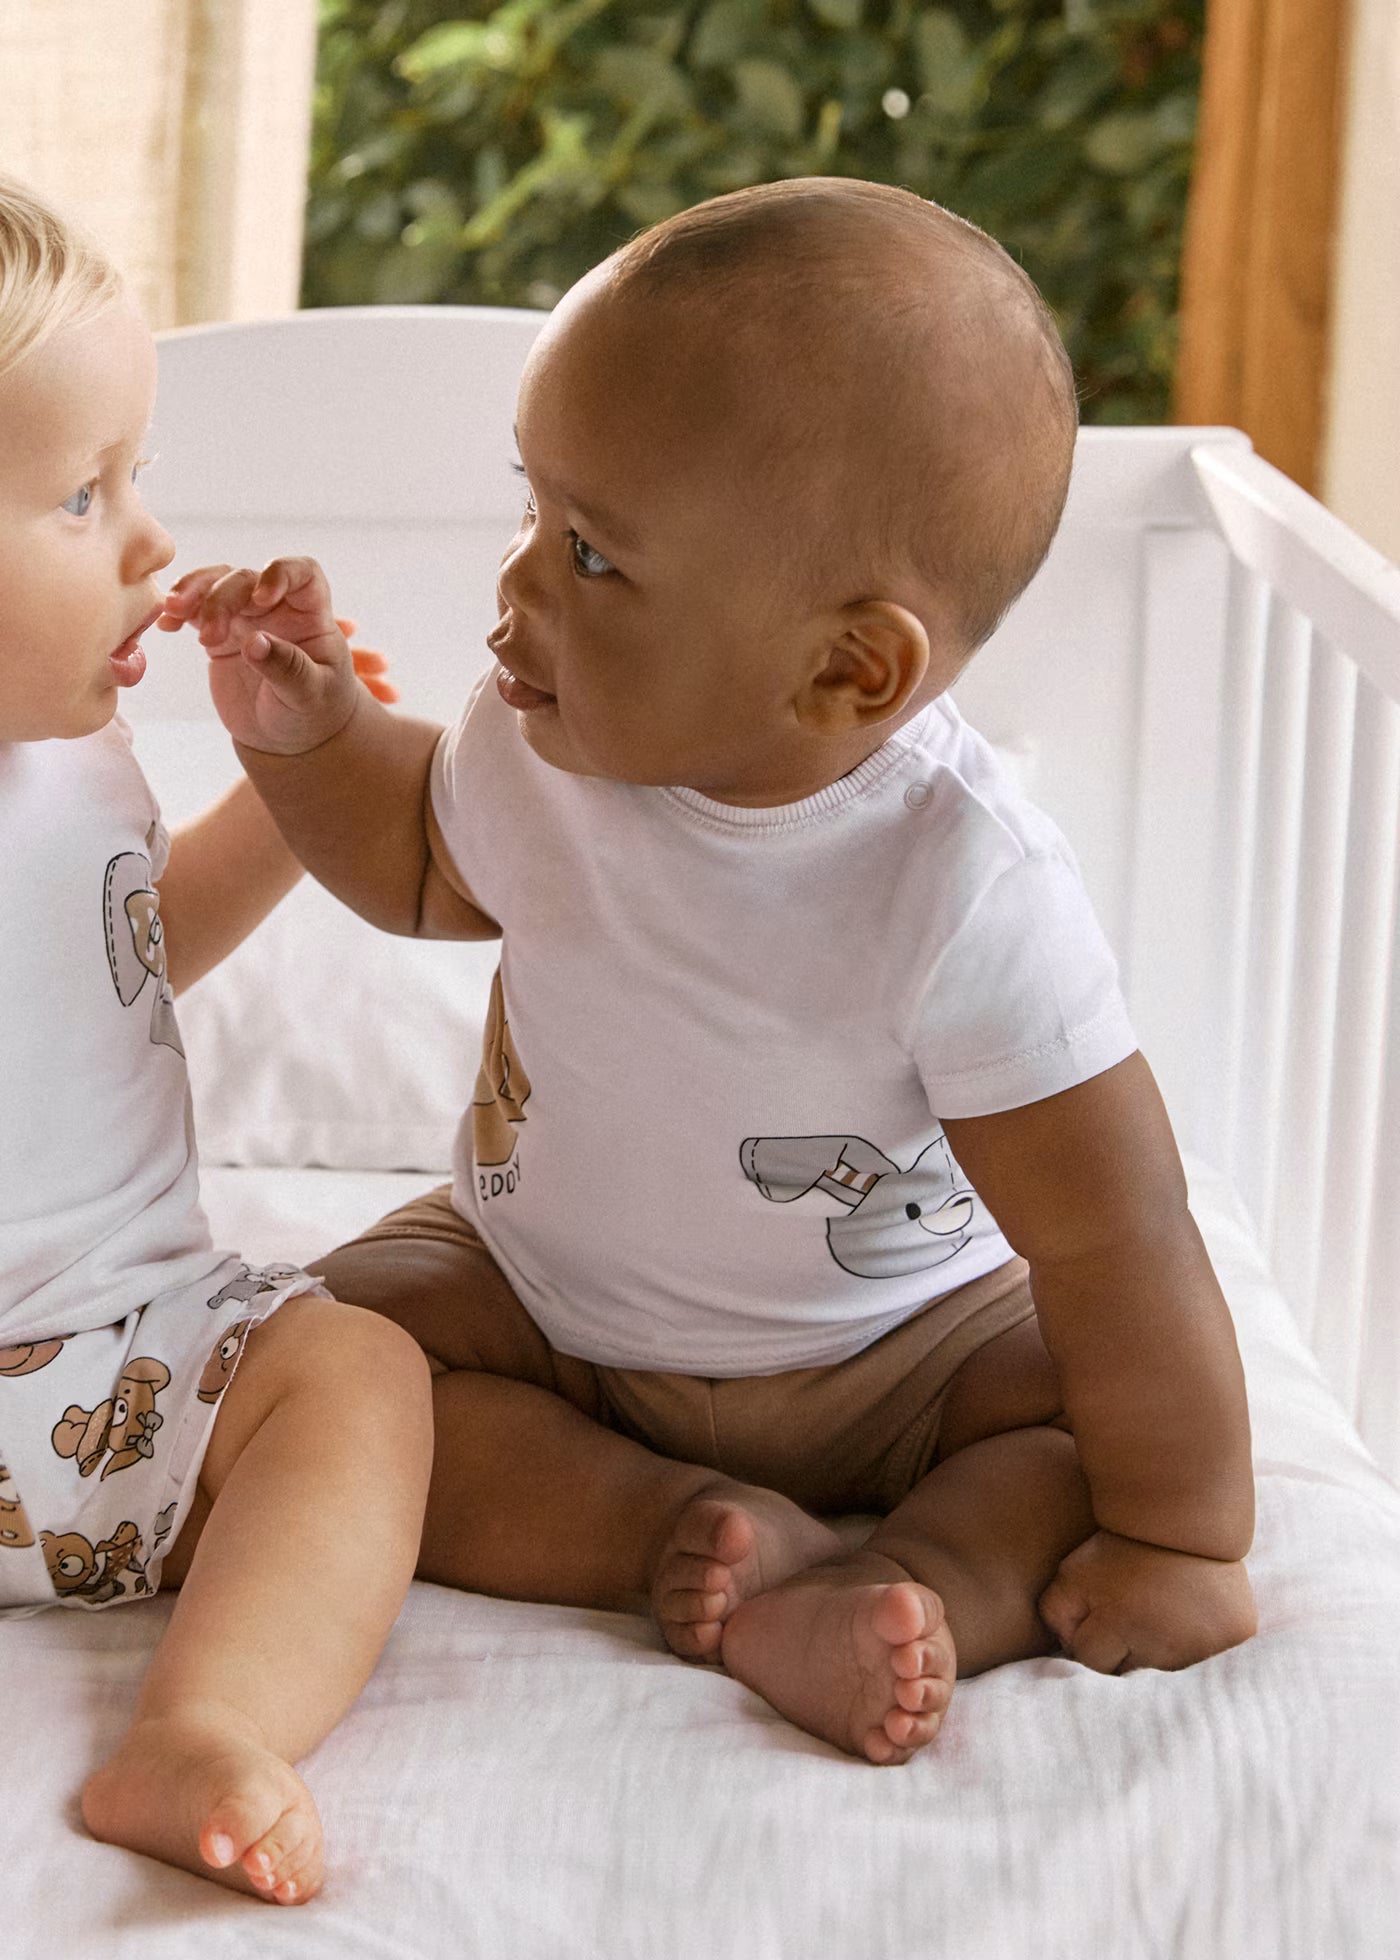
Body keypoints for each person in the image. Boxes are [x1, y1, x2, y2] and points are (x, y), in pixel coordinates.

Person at [166, 178, 1257, 1769]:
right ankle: (681, 1532)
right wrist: (314, 738)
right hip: (539, 1298)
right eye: (531, 510)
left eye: (592, 554)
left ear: (846, 669)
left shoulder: (963, 888)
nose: (517, 585)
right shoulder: (540, 740)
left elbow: (1116, 1234)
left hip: (905, 1353)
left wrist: (1179, 1534)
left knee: (1072, 1428)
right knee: (310, 1374)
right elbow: (420, 867)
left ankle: (914, 1584)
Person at [0, 174, 432, 1901]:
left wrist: (286, 800)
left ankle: (202, 1722)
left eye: (136, 479)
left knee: (358, 1373)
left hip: (129, 1375)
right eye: (80, 494)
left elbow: (127, 958)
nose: (149, 544)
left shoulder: (81, 763)